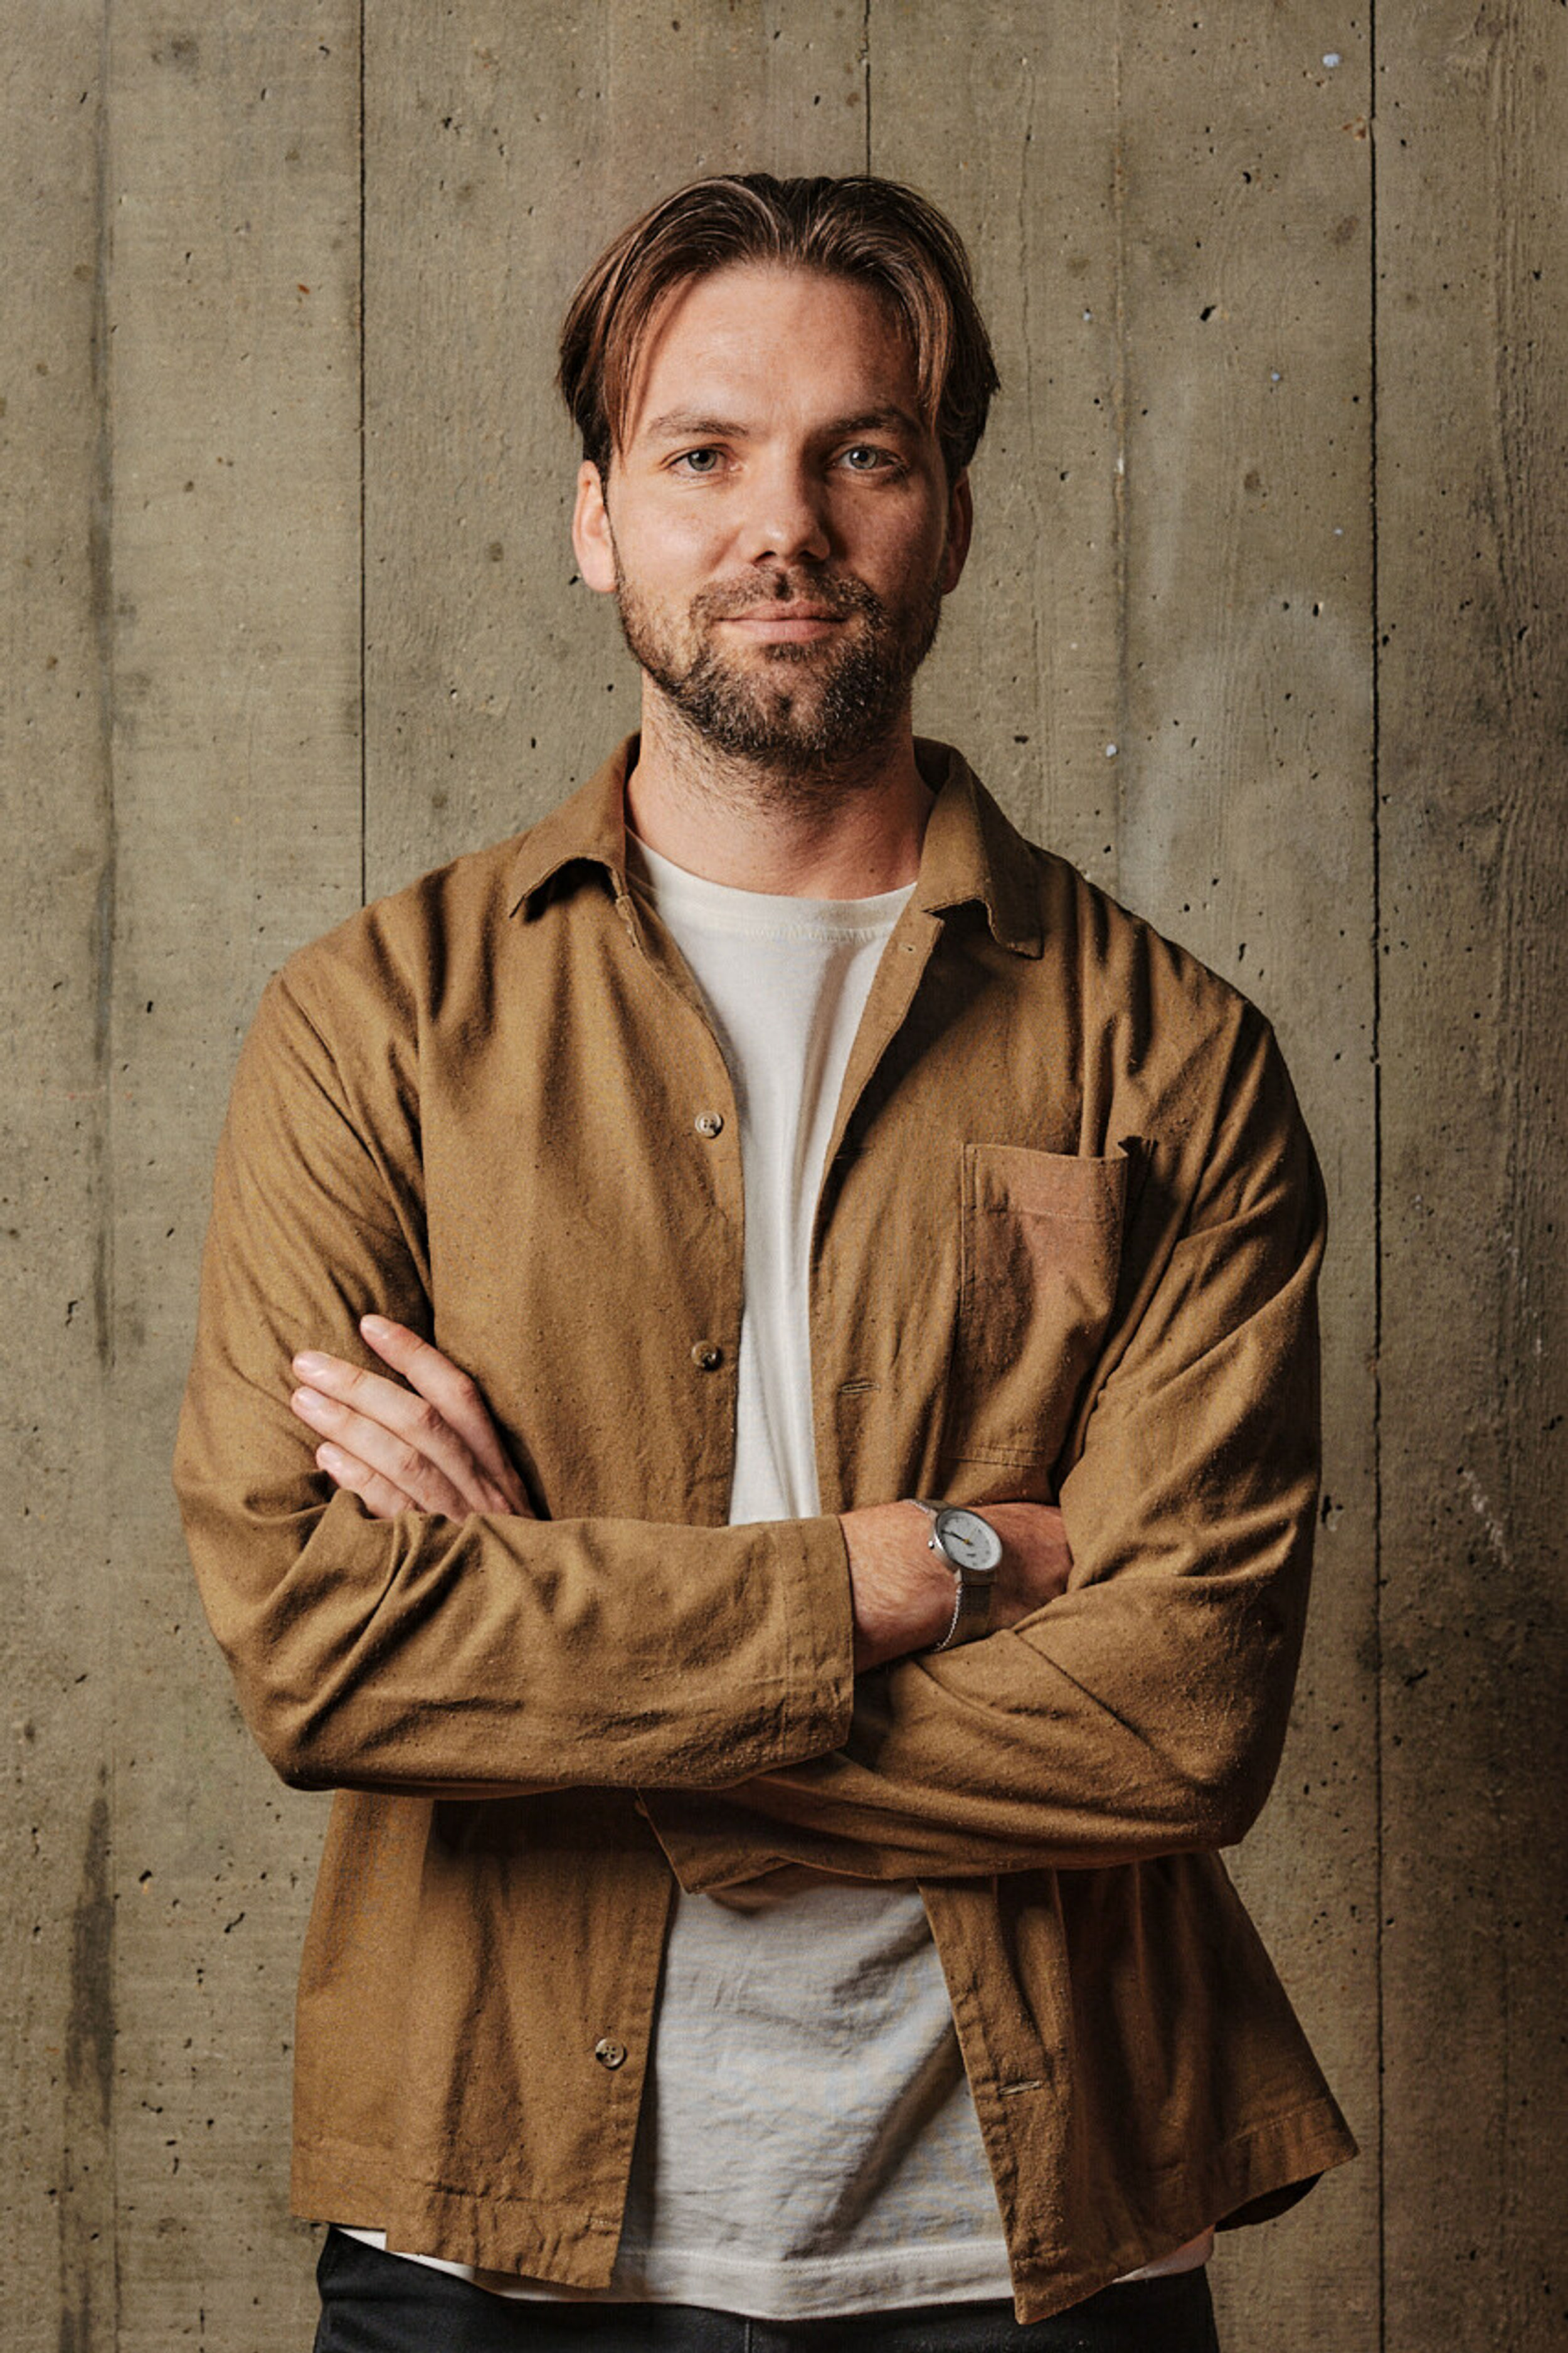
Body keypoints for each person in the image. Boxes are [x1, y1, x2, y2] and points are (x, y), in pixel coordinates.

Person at [174, 173, 1355, 2351]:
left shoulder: (1172, 1053)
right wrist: (928, 1565)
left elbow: (1180, 1720)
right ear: (597, 518)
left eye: (860, 452)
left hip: (1041, 2238)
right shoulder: (376, 1025)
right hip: (490, 2229)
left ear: (950, 511)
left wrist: (543, 1668)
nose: (780, 523)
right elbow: (325, 1657)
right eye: (702, 453)